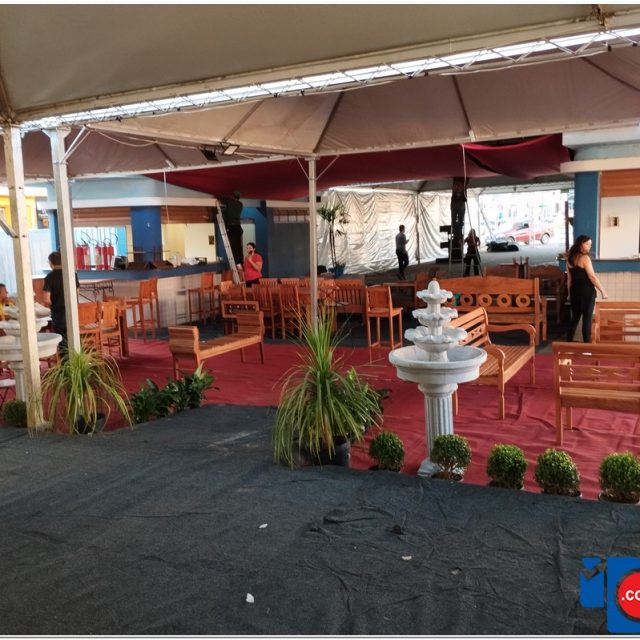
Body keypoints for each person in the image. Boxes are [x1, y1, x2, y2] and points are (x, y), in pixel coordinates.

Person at [566, 234, 608, 342]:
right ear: (581, 244)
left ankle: (567, 344)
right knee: (587, 318)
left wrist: (569, 294)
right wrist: (603, 291)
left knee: (575, 318)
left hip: (574, 292)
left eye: (590, 244)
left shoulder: (569, 259)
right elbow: (592, 277)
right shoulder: (585, 258)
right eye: (587, 244)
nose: (589, 246)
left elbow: (569, 279)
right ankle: (586, 346)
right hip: (587, 292)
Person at [42, 251, 79, 352]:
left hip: (58, 313)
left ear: (51, 263)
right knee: (74, 337)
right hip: (73, 311)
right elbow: (77, 294)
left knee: (62, 340)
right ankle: (77, 358)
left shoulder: (49, 277)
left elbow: (46, 299)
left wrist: (49, 305)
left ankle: (65, 360)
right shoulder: (73, 274)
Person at [219, 190, 244, 267]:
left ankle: (237, 263)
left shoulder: (230, 202)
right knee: (238, 245)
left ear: (233, 196)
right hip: (238, 227)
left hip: (232, 227)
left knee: (233, 246)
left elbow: (220, 197)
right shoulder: (240, 204)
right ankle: (240, 262)